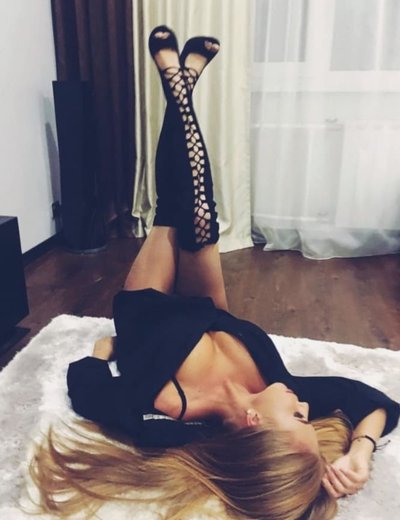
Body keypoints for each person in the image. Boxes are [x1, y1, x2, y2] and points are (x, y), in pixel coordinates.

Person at [30, 26, 400, 520]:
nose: (306, 409)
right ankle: (180, 89)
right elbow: (373, 400)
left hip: (148, 306)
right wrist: (361, 452)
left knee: (173, 212)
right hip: (209, 308)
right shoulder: (280, 387)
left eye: (298, 420)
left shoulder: (165, 414)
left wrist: (101, 351)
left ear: (252, 422)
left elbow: (89, 391)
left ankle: (180, 90)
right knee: (200, 213)